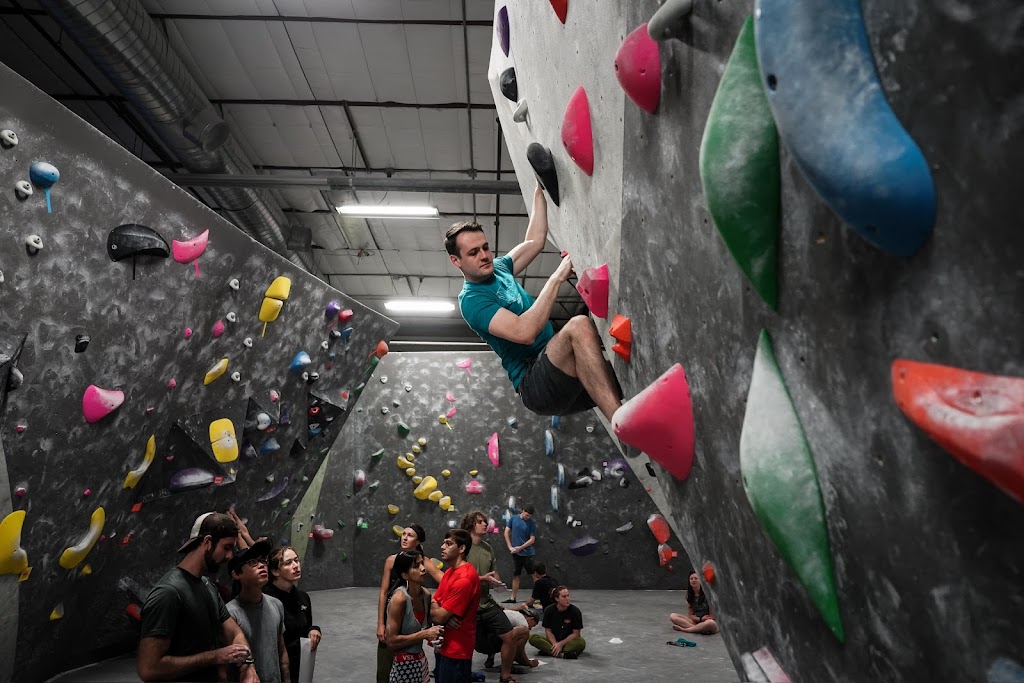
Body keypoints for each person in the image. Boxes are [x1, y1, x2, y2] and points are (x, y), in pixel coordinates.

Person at [445, 184, 623, 420]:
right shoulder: (472, 300)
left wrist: (539, 188)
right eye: (473, 252)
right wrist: (557, 277)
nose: (484, 255)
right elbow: (525, 332)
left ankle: (631, 424)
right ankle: (622, 425)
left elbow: (535, 240)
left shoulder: (499, 268)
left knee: (621, 379)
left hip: (562, 369)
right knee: (578, 325)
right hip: (536, 384)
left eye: (485, 247)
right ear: (456, 261)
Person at [137, 512, 258, 683]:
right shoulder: (168, 593)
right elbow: (149, 669)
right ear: (208, 542)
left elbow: (234, 632)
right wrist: (214, 656)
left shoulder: (207, 586)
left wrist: (248, 667)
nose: (230, 556)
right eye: (227, 547)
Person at [461, 511, 526, 683]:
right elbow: (458, 576)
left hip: (487, 603)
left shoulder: (488, 548)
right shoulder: (462, 547)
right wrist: (482, 578)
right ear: (471, 525)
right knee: (464, 644)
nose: (485, 524)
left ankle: (505, 676)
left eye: (485, 521)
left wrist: (497, 583)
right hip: (467, 605)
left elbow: (494, 574)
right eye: (481, 522)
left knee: (510, 636)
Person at [377, 524, 445, 683]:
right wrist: (380, 622)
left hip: (411, 617)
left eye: (410, 535)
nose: (405, 538)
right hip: (392, 615)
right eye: (404, 534)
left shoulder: (424, 563)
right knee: (385, 668)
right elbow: (383, 592)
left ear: (418, 541)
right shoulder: (391, 560)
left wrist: (441, 607)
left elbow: (446, 581)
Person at [226, 541, 289, 682]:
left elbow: (281, 650)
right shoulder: (230, 613)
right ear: (236, 574)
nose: (262, 565)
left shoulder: (276, 604)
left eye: (262, 561)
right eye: (253, 562)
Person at [264, 546, 322, 683]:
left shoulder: (303, 597)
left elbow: (305, 626)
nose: (296, 566)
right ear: (275, 571)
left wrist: (314, 629)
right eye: (288, 563)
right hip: (276, 670)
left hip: (301, 666)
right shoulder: (265, 599)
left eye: (296, 560)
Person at [430, 529, 481, 683]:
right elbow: (435, 603)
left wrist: (440, 614)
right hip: (445, 642)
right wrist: (439, 610)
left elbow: (438, 616)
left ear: (461, 549)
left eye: (448, 544)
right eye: (443, 543)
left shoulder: (464, 578)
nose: (442, 547)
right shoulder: (450, 572)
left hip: (457, 649)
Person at [529, 586, 586, 659]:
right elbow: (548, 631)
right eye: (564, 597)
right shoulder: (549, 610)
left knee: (581, 642)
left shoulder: (575, 611)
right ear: (557, 599)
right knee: (533, 638)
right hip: (553, 640)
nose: (567, 599)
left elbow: (576, 633)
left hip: (568, 641)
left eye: (568, 596)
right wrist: (555, 644)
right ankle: (563, 654)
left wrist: (561, 644)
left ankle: (549, 650)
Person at [503, 506, 536, 603]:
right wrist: (510, 547)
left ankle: (539, 596)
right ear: (523, 511)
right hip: (516, 554)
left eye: (530, 516)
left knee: (534, 575)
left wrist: (520, 548)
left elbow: (532, 539)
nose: (528, 517)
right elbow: (506, 532)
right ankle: (513, 598)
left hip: (528, 554)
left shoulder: (531, 523)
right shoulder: (514, 518)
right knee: (516, 575)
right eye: (527, 515)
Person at [669, 571, 719, 635]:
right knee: (673, 616)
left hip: (709, 622)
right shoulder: (689, 595)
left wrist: (704, 620)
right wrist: (700, 619)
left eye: (696, 578)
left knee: (710, 623)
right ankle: (698, 629)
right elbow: (691, 615)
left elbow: (712, 617)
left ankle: (685, 629)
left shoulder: (708, 594)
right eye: (691, 579)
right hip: (697, 621)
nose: (693, 580)